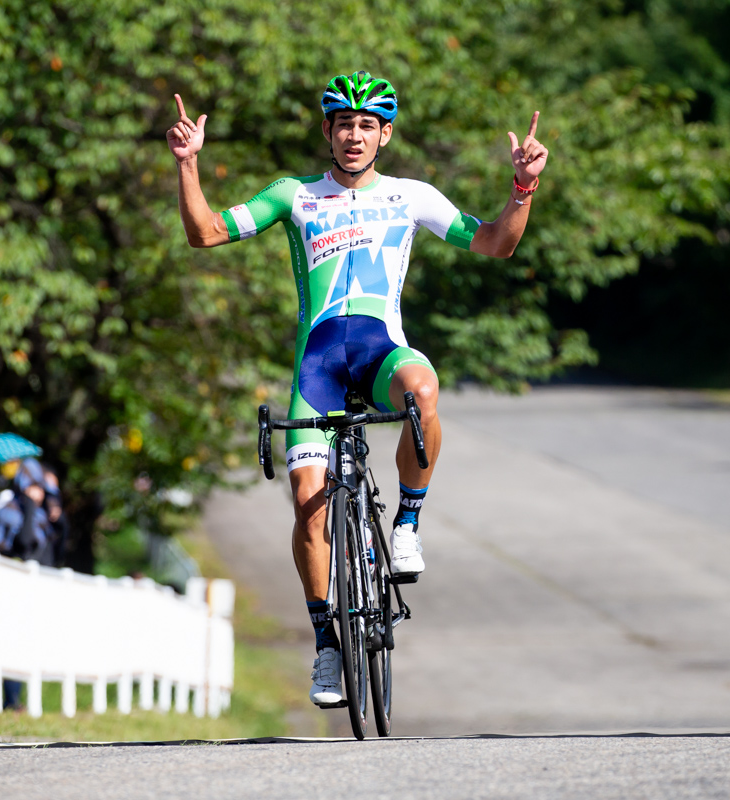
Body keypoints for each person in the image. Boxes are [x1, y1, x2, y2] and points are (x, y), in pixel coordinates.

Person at [167, 72, 548, 705]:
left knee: (423, 388)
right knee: (307, 502)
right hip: (317, 369)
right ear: (327, 130)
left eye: (367, 125)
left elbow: (494, 243)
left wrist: (524, 186)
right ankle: (324, 644)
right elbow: (205, 232)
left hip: (378, 354)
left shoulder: (411, 196)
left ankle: (406, 522)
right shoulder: (294, 196)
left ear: (385, 135)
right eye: (344, 123)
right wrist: (187, 166)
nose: (354, 134)